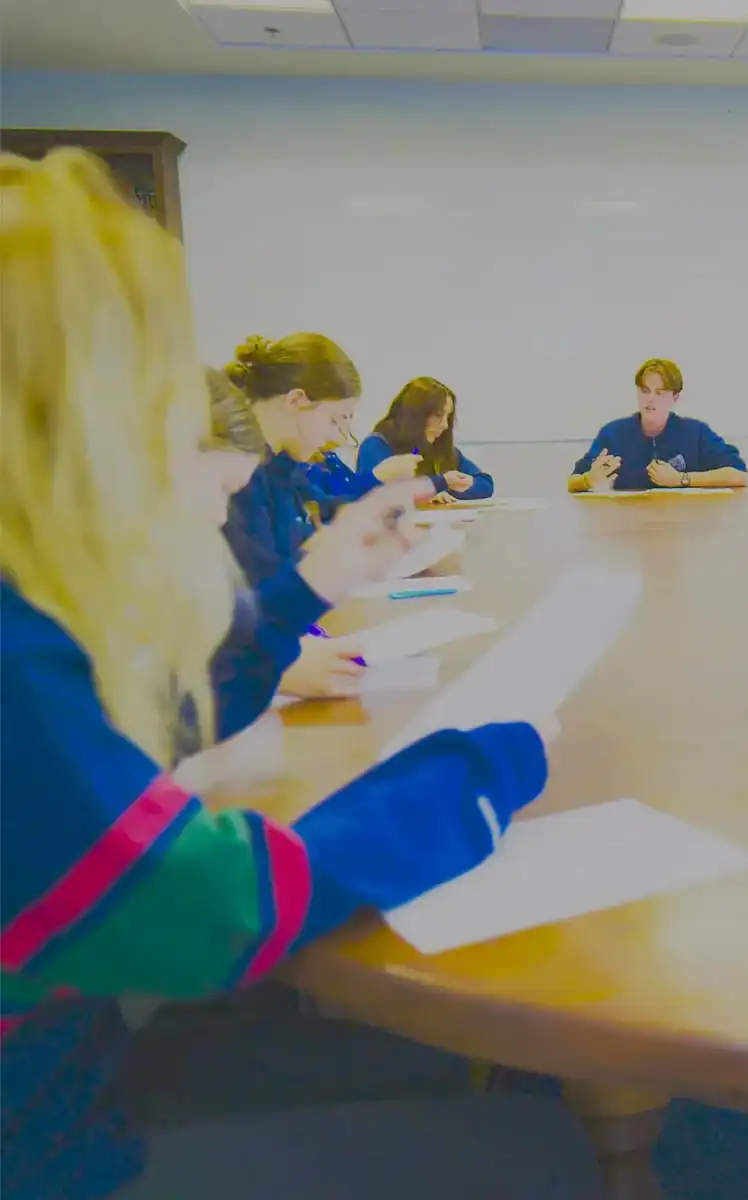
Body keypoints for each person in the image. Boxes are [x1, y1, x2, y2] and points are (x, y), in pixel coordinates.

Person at [0, 148, 586, 1200]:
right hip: (59, 1145)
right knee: (535, 1135)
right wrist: (485, 770)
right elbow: (223, 910)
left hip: (66, 1072)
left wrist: (299, 593)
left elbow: (124, 740)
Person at [220, 332, 370, 586]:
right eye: (333, 420)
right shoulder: (240, 472)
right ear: (296, 400)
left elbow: (322, 505)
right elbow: (262, 584)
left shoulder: (282, 464)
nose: (338, 436)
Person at [569, 358, 748, 492]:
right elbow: (572, 482)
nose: (650, 399)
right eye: (645, 391)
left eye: (659, 393)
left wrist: (681, 479)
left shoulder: (695, 433)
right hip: (631, 527)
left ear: (675, 398)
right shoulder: (614, 433)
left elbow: (739, 476)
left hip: (683, 526)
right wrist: (588, 480)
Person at [359, 377, 494, 505]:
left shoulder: (437, 448)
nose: (445, 425)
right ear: (416, 415)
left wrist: (453, 486)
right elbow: (375, 494)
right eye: (438, 415)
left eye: (448, 416)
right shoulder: (377, 445)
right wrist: (435, 486)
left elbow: (485, 484)